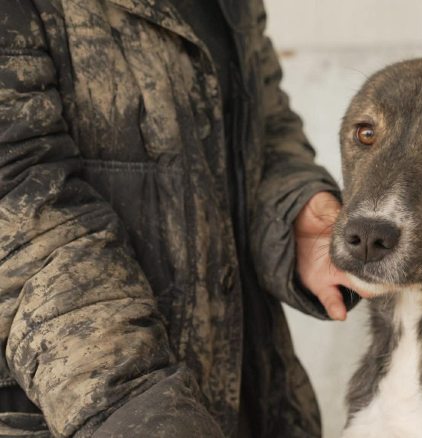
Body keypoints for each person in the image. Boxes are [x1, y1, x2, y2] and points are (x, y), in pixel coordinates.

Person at [0, 0, 361, 436]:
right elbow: (22, 212)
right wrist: (144, 414)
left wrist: (293, 209)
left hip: (254, 398)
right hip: (91, 414)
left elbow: (267, 128)